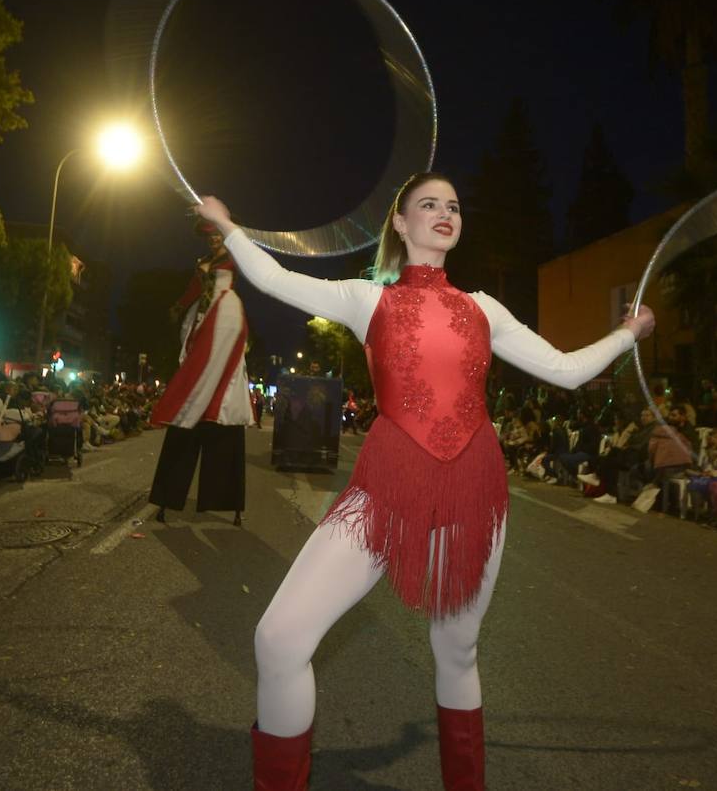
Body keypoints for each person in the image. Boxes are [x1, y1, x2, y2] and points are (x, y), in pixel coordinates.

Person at [197, 172, 655, 789]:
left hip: (474, 488)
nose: (445, 214)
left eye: (454, 207)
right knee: (279, 639)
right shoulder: (368, 300)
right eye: (429, 205)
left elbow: (567, 371)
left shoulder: (484, 309)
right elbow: (277, 280)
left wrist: (628, 333)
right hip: (389, 485)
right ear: (401, 223)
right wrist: (230, 228)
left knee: (458, 652)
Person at [148, 219, 253, 527]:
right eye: (210, 236)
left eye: (218, 234)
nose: (213, 240)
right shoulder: (203, 263)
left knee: (214, 380)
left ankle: (225, 501)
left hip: (225, 317)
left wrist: (229, 227)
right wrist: (178, 306)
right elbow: (193, 289)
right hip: (202, 320)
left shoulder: (234, 258)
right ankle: (170, 496)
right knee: (193, 385)